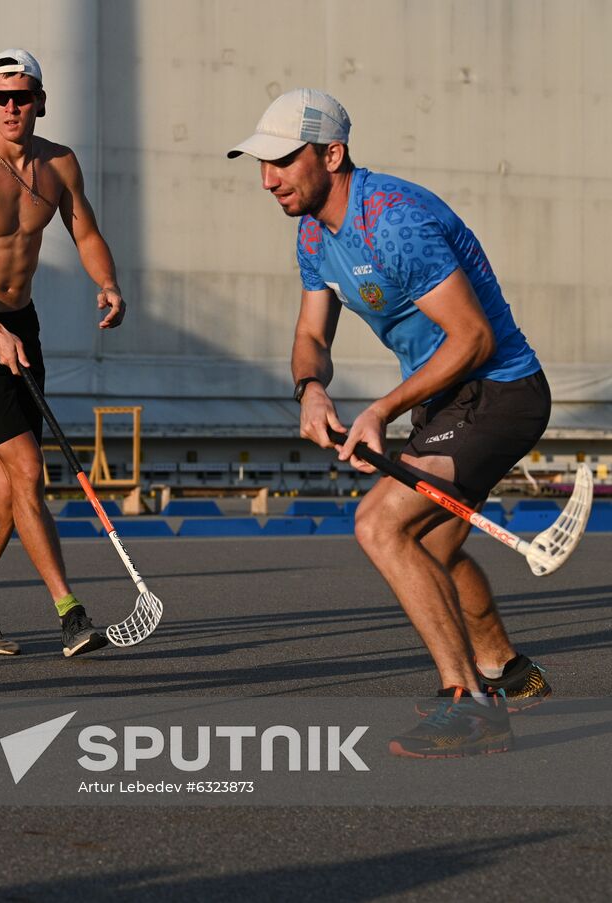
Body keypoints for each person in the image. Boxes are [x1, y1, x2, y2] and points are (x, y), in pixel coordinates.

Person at [228, 88, 551, 758]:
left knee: (380, 523)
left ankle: (471, 702)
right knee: (428, 551)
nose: (268, 178)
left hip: (496, 390)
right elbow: (311, 332)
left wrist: (378, 409)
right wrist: (310, 387)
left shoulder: (395, 221)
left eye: (284, 160)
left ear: (332, 153)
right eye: (262, 163)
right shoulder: (314, 232)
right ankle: (507, 672)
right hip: (447, 401)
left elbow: (472, 339)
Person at [0, 49, 125, 658]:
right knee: (28, 470)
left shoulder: (58, 163)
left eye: (23, 95)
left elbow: (84, 230)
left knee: (8, 480)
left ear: (40, 100)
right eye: (0, 96)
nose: (11, 107)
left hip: (22, 326)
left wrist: (108, 282)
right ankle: (71, 613)